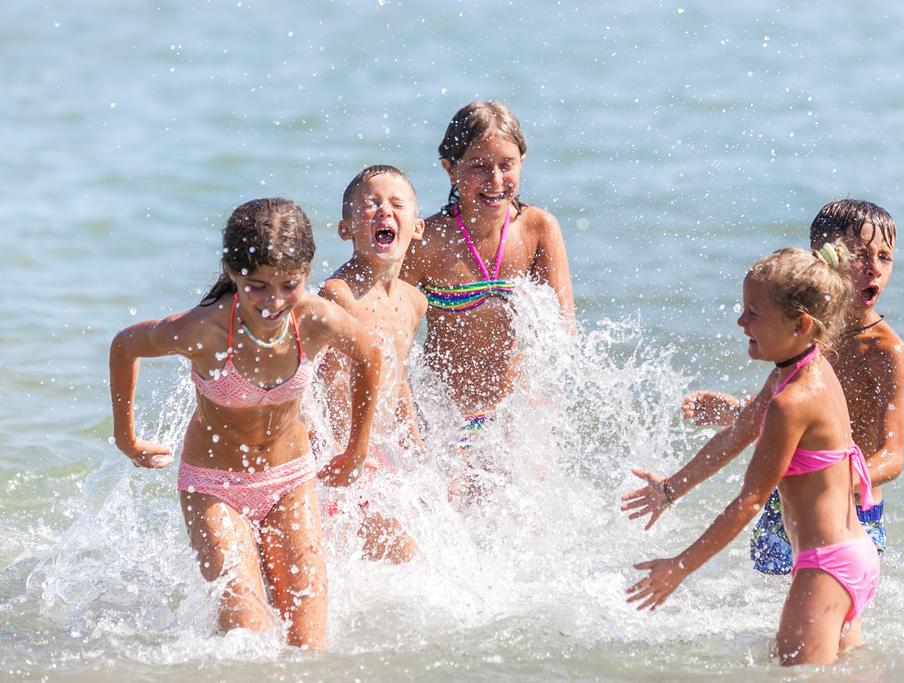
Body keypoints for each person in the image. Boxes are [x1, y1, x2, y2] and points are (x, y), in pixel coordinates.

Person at [109, 198, 382, 650]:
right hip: (214, 488)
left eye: (288, 284)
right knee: (249, 638)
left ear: (307, 272)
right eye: (257, 286)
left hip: (290, 480)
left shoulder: (315, 319)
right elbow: (125, 346)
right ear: (233, 273)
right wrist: (127, 439)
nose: (273, 302)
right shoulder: (203, 330)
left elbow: (370, 355)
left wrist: (357, 450)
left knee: (309, 646)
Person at [623, 245, 880, 666]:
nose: (741, 321)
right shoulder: (803, 369)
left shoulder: (793, 401)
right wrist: (670, 490)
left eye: (753, 313)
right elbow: (738, 434)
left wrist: (680, 567)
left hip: (825, 569)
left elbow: (750, 502)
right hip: (852, 557)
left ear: (800, 324)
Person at [681, 199, 904, 574]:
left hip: (851, 512)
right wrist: (740, 411)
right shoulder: (806, 332)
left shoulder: (885, 350)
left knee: (834, 622)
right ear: (825, 259)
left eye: (885, 257)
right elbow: (796, 411)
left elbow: (893, 456)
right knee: (775, 615)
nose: (874, 269)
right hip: (785, 504)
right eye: (862, 256)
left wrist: (833, 480)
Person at [400, 100, 575, 428]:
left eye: (506, 164)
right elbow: (392, 337)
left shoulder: (538, 229)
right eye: (478, 166)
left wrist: (542, 407)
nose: (495, 179)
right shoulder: (425, 242)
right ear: (450, 169)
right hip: (444, 419)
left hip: (516, 417)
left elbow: (563, 332)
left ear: (522, 162)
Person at [318, 165, 426, 563]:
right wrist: (340, 453)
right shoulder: (337, 294)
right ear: (345, 229)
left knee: (398, 553)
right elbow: (322, 384)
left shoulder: (414, 302)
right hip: (340, 455)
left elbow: (397, 380)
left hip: (376, 455)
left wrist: (414, 450)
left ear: (417, 227)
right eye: (370, 205)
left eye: (397, 204)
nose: (384, 211)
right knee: (405, 555)